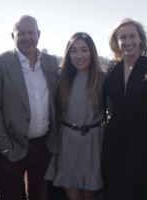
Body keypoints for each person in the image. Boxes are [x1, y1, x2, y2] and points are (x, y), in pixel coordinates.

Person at [0, 15, 59, 200]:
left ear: (38, 34)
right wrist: (4, 147)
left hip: (43, 146)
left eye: (31, 32)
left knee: (39, 195)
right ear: (12, 36)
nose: (27, 37)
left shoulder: (50, 62)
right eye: (21, 33)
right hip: (12, 147)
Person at [101, 18, 147, 200]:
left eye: (132, 36)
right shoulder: (112, 67)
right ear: (116, 42)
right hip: (113, 137)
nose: (128, 41)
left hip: (141, 139)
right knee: (112, 187)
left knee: (136, 189)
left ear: (140, 39)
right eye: (122, 37)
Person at [45, 32, 104, 200]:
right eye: (73, 51)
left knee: (90, 192)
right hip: (67, 140)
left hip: (93, 141)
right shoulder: (60, 78)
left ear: (92, 52)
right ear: (67, 54)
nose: (79, 56)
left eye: (84, 50)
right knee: (71, 189)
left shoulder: (102, 79)